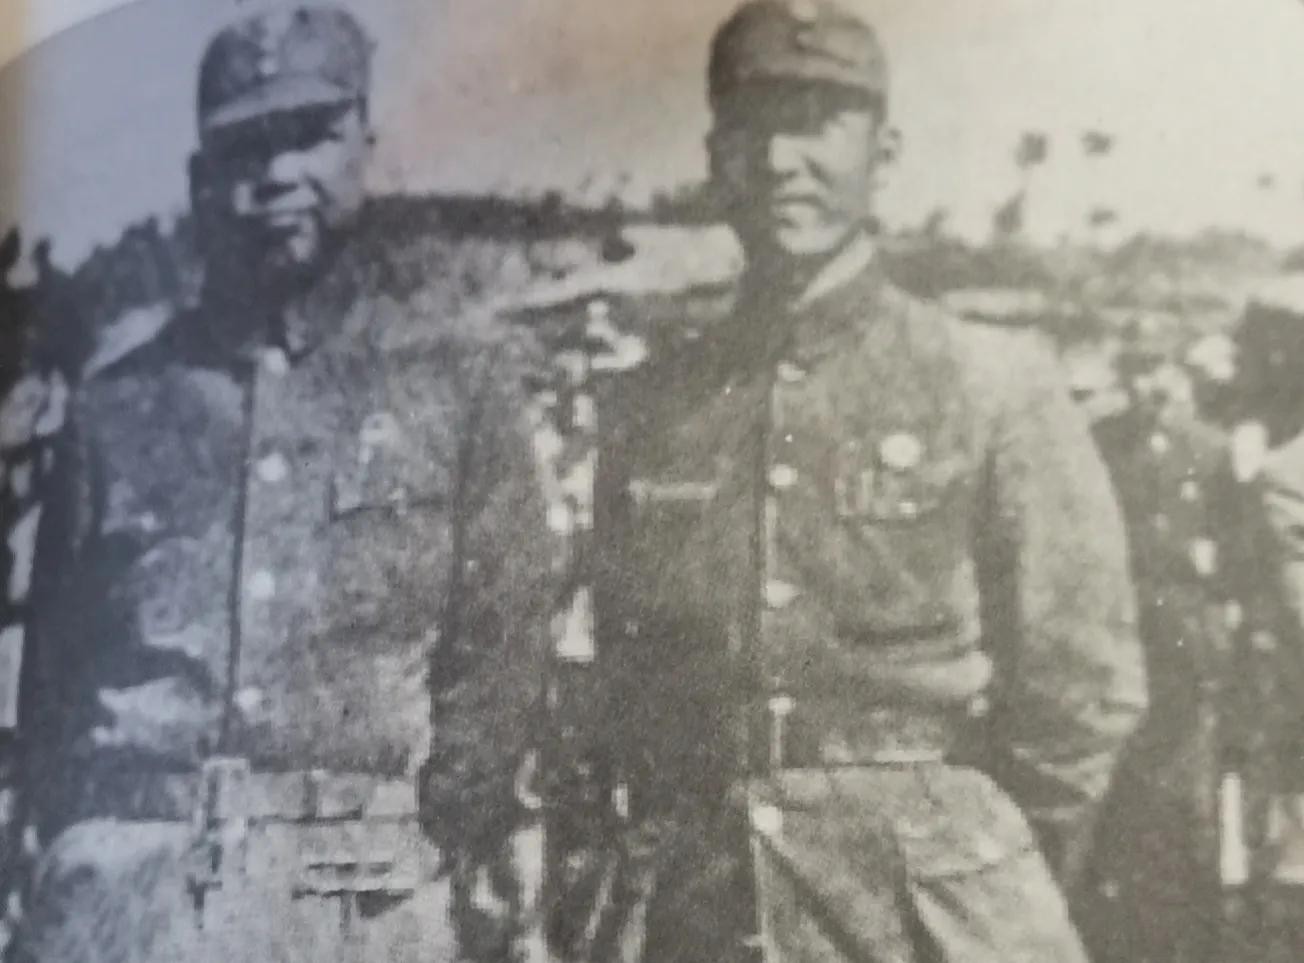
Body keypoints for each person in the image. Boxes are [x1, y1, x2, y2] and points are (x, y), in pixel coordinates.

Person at [589, 1, 1147, 959]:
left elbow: (1082, 688)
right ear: (717, 156)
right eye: (755, 129)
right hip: (706, 907)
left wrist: (983, 870)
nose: (782, 161)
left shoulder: (990, 379)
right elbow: (629, 683)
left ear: (884, 154)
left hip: (930, 915)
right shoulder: (654, 407)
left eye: (818, 124)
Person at [9, 7, 552, 962]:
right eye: (245, 149)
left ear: (366, 150)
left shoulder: (459, 387)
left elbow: (499, 662)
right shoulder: (115, 411)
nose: (276, 175)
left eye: (309, 136)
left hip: (359, 900)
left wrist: (432, 856)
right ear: (199, 180)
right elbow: (54, 690)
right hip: (127, 899)